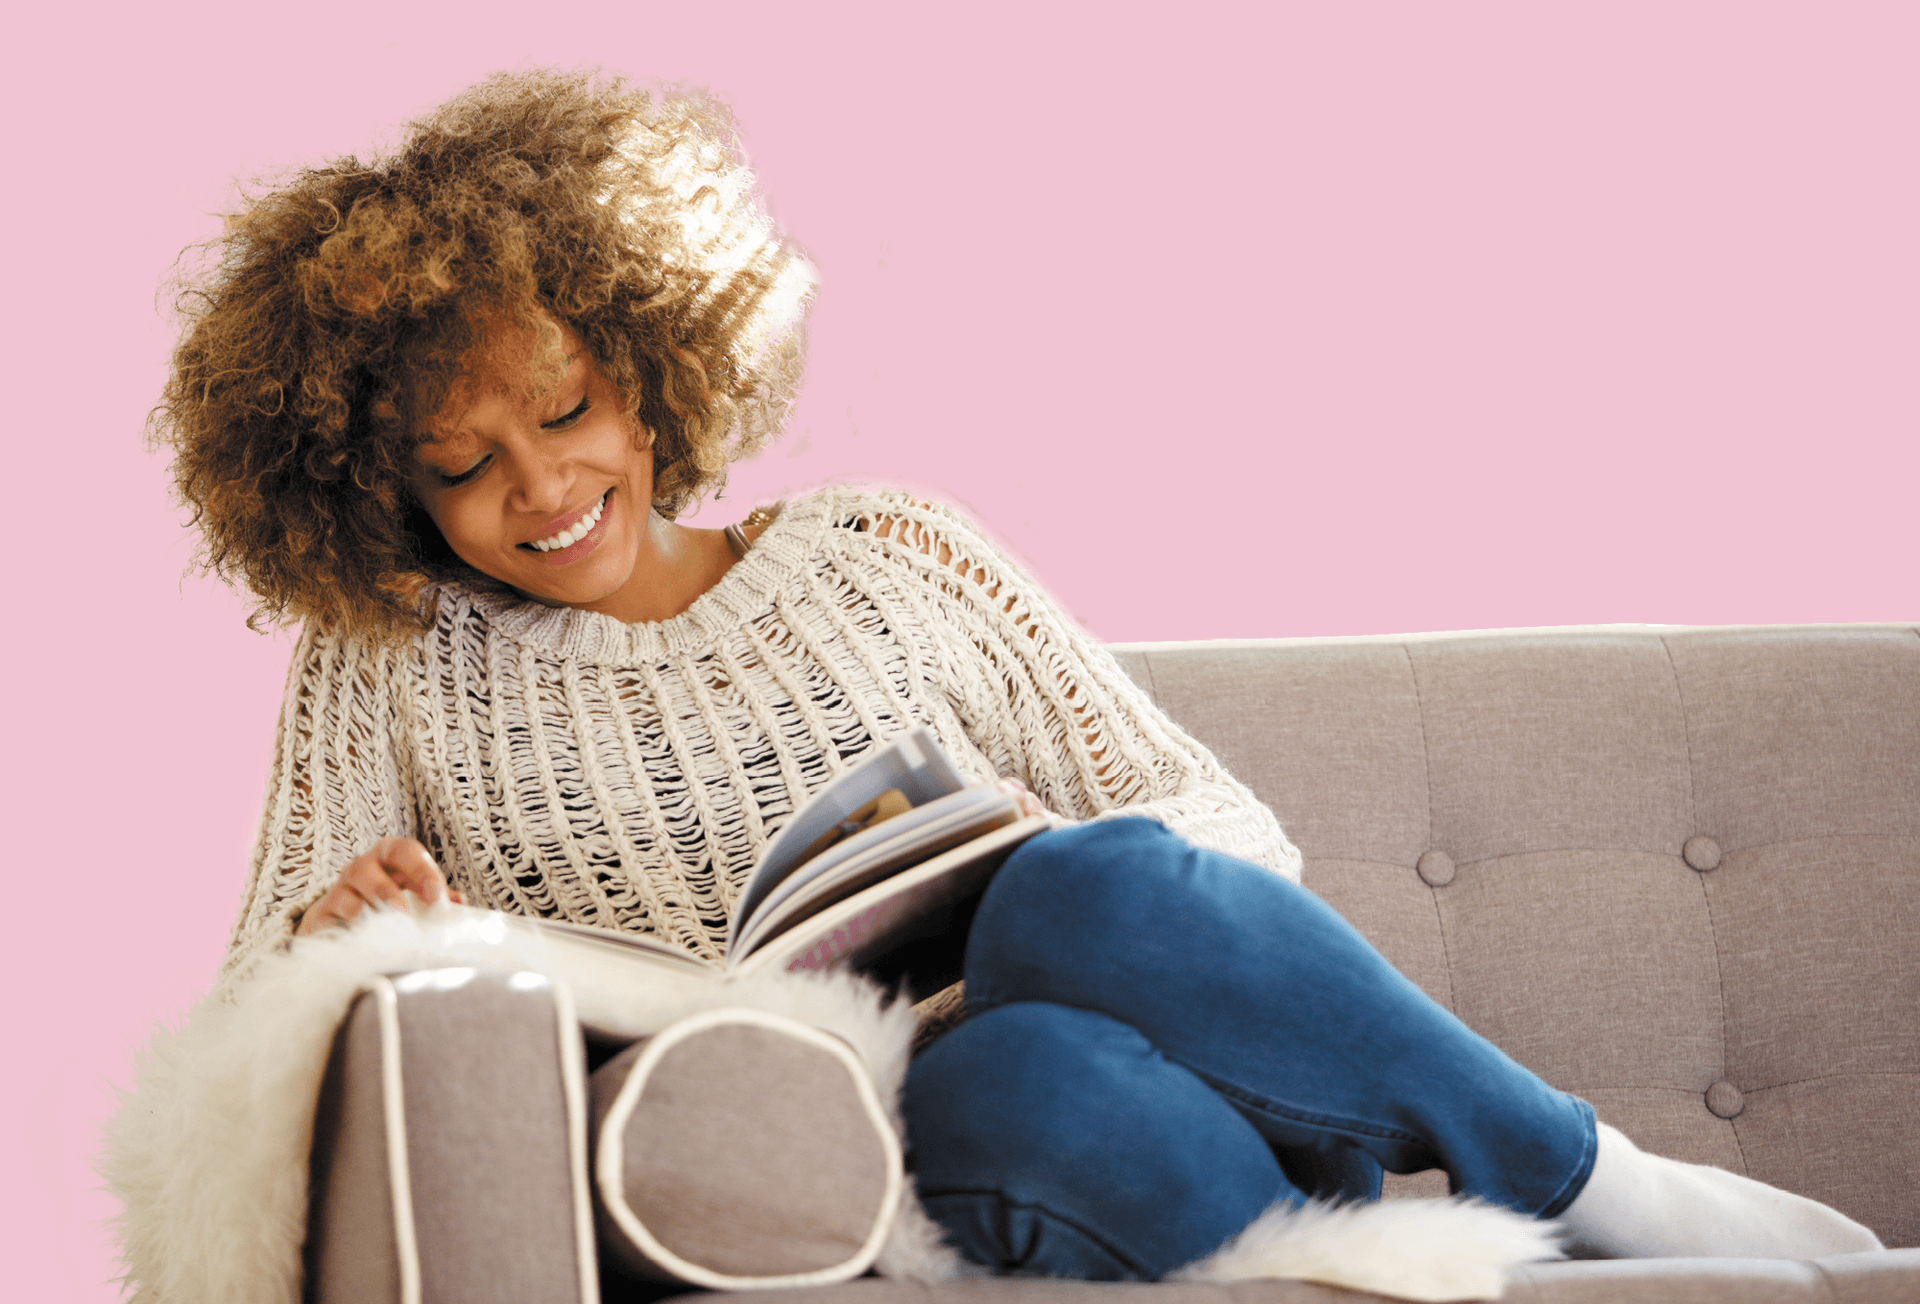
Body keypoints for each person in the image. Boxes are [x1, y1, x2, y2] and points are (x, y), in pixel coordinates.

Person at [152, 70, 1882, 1278]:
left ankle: (1594, 1180)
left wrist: (999, 899)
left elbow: (1215, 825)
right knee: (1009, 1081)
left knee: (1092, 883)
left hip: (1155, 1052)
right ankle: (1388, 1264)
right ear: (372, 486)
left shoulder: (895, 548)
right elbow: (240, 1057)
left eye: (564, 410)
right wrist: (328, 938)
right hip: (897, 1144)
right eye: (460, 465)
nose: (538, 487)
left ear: (650, 363)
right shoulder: (388, 662)